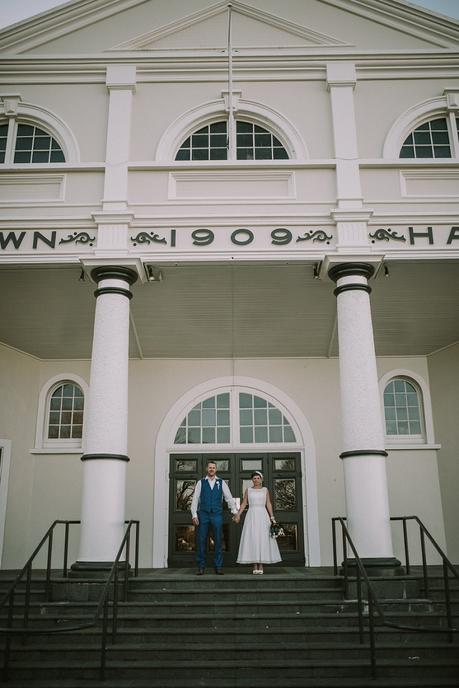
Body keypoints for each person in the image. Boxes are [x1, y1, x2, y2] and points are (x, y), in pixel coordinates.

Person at [191, 460, 237, 575]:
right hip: (203, 514)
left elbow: (229, 498)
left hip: (216, 514)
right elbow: (195, 499)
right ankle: (201, 567)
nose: (211, 469)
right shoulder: (201, 482)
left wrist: (234, 511)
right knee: (201, 540)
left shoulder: (221, 482)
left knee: (218, 540)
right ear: (207, 469)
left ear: (216, 470)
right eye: (210, 467)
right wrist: (194, 515)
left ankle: (218, 566)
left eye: (213, 468)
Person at [233, 471, 282, 574]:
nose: (256, 480)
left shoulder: (265, 490)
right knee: (253, 538)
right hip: (251, 515)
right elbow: (244, 503)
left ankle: (261, 565)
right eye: (254, 478)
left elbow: (268, 503)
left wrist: (272, 517)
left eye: (258, 478)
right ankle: (255, 565)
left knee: (262, 538)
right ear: (252, 480)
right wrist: (238, 514)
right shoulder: (248, 490)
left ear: (261, 479)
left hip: (263, 515)